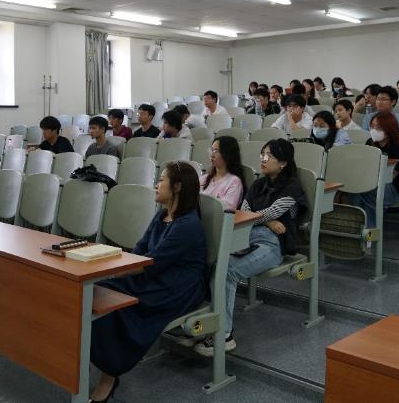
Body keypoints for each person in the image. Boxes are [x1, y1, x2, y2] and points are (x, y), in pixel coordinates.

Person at [89, 162, 207, 402]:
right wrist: (113, 269)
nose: (156, 184)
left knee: (113, 304)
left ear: (177, 187)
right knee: (97, 293)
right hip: (153, 277)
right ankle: (99, 366)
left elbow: (150, 262)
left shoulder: (188, 225)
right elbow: (140, 250)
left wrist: (109, 269)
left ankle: (108, 377)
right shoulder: (162, 215)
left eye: (162, 180)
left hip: (176, 287)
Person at [194, 139, 306, 356]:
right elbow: (245, 213)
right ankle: (203, 324)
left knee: (227, 270)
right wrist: (268, 221)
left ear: (283, 163)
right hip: (246, 235)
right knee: (207, 259)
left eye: (269, 156)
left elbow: (266, 213)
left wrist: (263, 219)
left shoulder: (292, 187)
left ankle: (224, 335)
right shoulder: (257, 184)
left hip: (272, 244)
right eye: (262, 154)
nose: (263, 159)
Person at [357, 113, 399, 227]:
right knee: (353, 189)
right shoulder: (370, 143)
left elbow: (391, 176)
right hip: (376, 181)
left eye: (378, 127)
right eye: (372, 126)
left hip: (396, 186)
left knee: (367, 190)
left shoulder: (397, 147)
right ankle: (358, 224)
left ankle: (371, 227)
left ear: (389, 129)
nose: (374, 130)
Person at [200, 136, 246, 211]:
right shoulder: (204, 179)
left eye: (216, 151)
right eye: (212, 150)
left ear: (228, 154)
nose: (212, 155)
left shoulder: (234, 182)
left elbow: (228, 208)